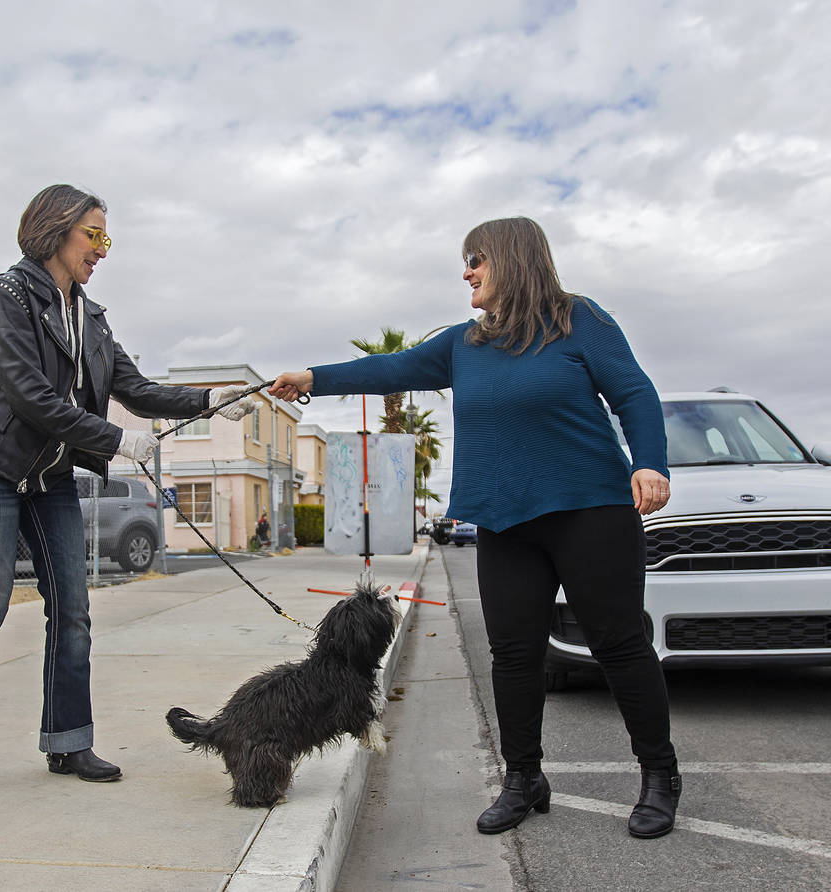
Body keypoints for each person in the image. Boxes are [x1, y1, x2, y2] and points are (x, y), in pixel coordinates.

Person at [270, 217, 678, 838]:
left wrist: (649, 462)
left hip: (591, 509)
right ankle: (524, 778)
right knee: (513, 653)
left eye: (477, 259)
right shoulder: (467, 343)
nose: (467, 272)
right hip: (507, 517)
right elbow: (393, 368)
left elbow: (635, 395)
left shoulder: (577, 319)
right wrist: (314, 378)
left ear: (513, 259)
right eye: (466, 261)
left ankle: (659, 774)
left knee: (617, 644)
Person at [0, 184, 256, 814]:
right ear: (55, 229)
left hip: (50, 475)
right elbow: (30, 395)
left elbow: (136, 388)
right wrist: (119, 441)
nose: (103, 249)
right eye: (95, 235)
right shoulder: (6, 296)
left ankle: (68, 741)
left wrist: (210, 400)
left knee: (74, 608)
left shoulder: (91, 317)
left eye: (106, 237)